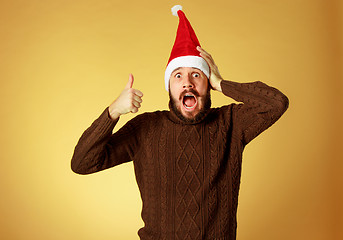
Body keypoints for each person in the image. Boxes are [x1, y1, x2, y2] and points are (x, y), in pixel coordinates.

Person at [71, 5, 289, 240]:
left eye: (196, 74)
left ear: (208, 83)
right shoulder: (145, 128)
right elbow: (83, 163)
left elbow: (276, 104)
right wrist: (112, 111)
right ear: (169, 87)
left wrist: (222, 83)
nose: (187, 83)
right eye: (178, 76)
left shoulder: (231, 123)